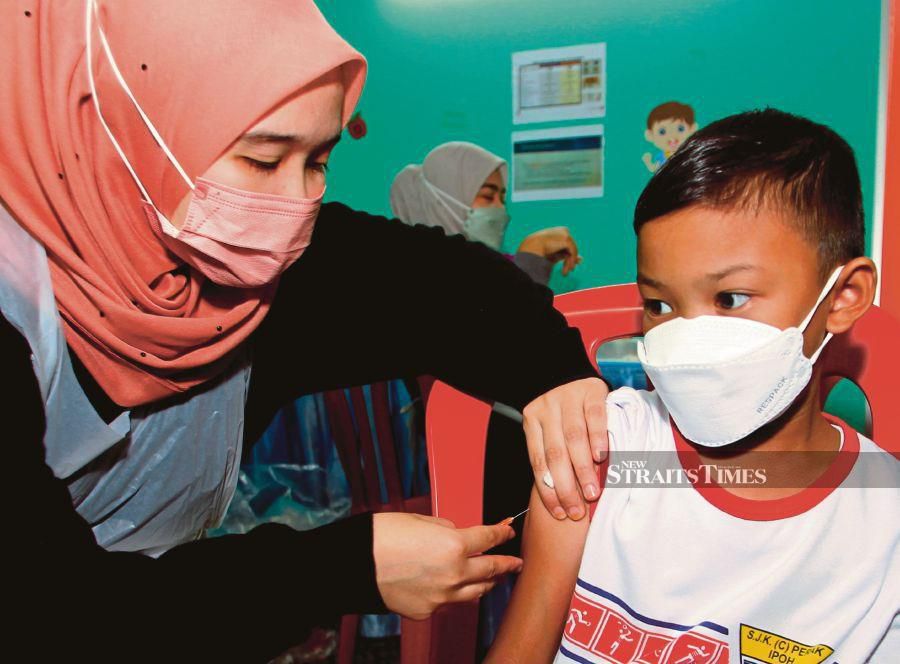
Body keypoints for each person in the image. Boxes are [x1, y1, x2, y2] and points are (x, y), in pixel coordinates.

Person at [1, 2, 611, 660]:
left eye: (317, 162)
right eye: (262, 162)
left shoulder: (257, 270)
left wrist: (554, 372)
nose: (294, 206)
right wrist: (343, 567)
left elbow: (454, 287)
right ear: (122, 132)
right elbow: (46, 616)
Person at [487, 110, 899, 663]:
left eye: (730, 299)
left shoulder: (884, 526)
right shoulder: (605, 451)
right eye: (659, 305)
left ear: (845, 295)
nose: (687, 337)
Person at [390, 141, 582, 287]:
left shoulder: (494, 266)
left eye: (502, 199)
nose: (500, 209)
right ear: (441, 204)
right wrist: (530, 262)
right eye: (488, 196)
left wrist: (538, 264)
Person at [641, 101, 698, 173]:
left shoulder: (691, 153)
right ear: (650, 136)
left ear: (692, 129)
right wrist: (648, 162)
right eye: (662, 132)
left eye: (680, 129)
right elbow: (656, 170)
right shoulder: (661, 157)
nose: (672, 137)